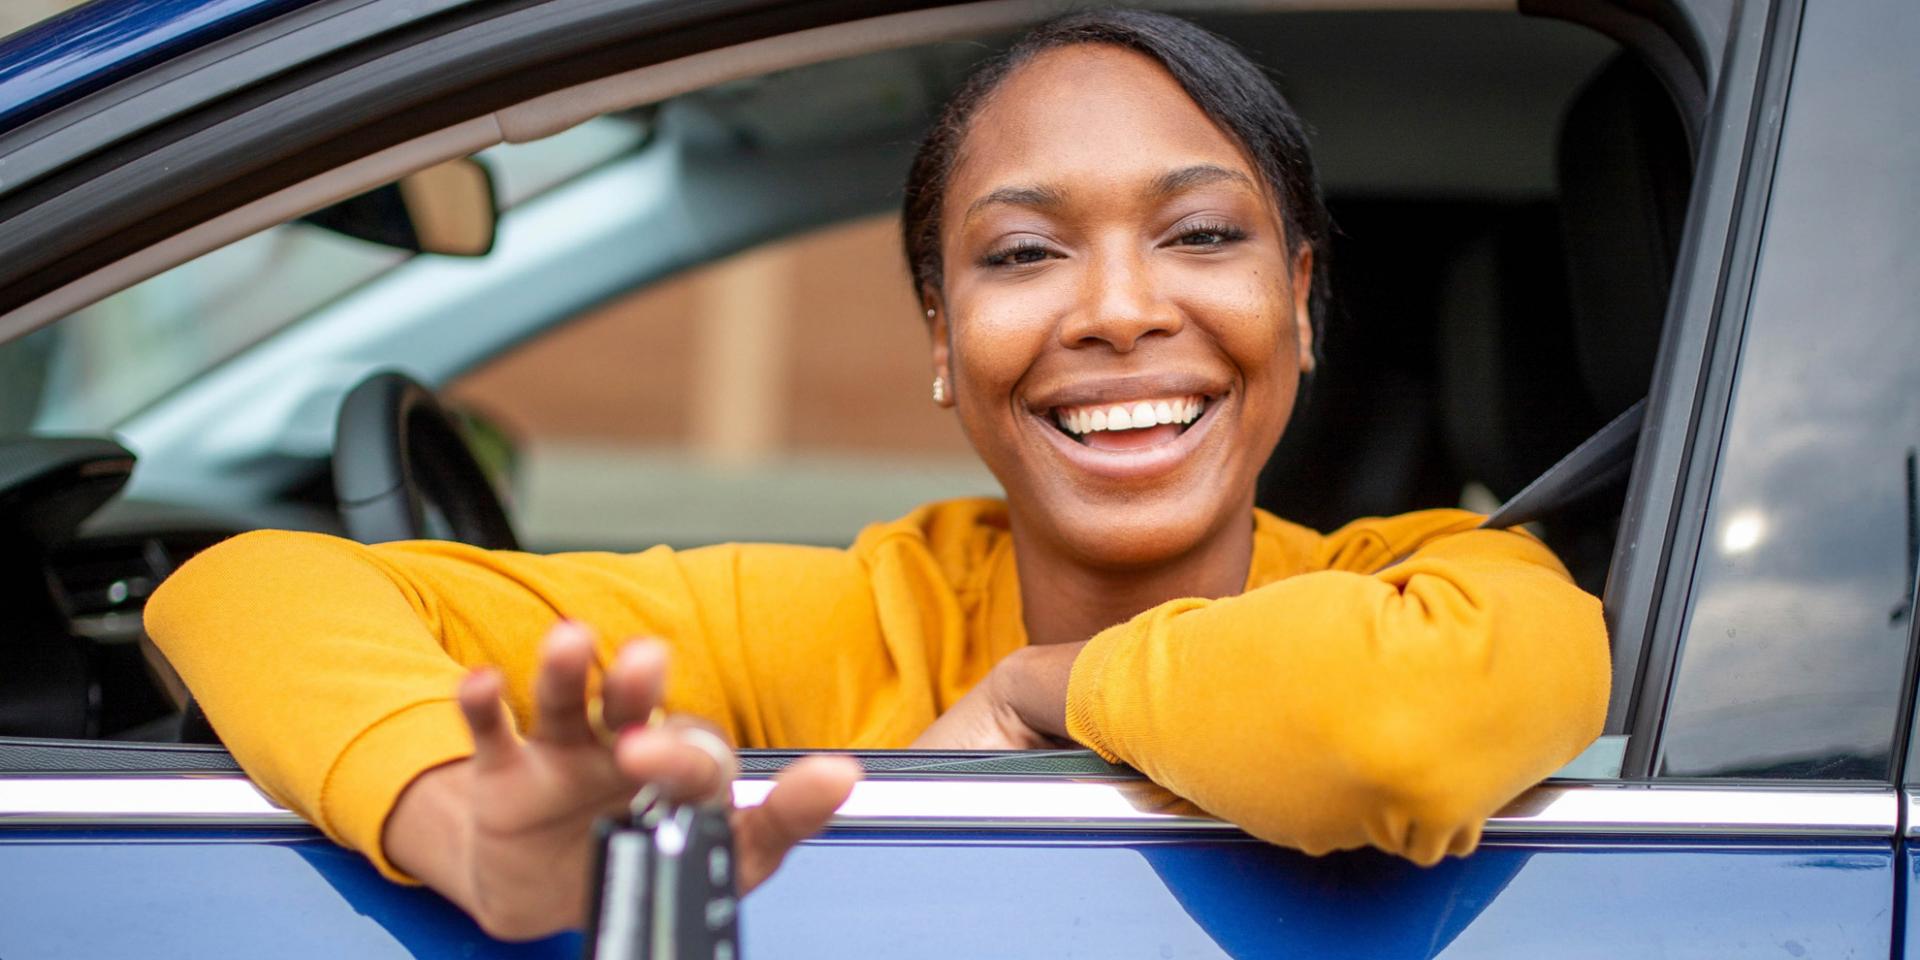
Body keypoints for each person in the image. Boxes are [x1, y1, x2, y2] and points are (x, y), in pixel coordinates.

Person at [145, 8, 1609, 942]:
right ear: (942, 337)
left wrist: (1044, 690)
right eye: (1024, 253)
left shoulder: (1441, 583)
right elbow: (247, 586)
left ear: (1300, 300)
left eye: (1201, 235)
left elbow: (1389, 733)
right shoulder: (848, 623)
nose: (1113, 309)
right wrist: (449, 816)